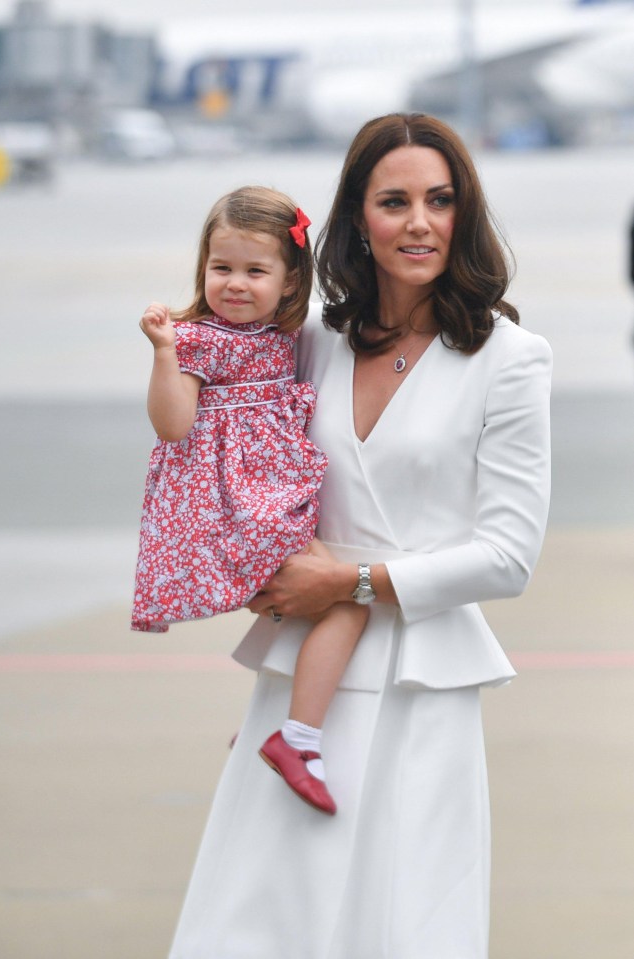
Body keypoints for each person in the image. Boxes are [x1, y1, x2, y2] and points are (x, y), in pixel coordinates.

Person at [167, 114, 552, 959]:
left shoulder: (510, 358)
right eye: (394, 201)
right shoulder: (313, 342)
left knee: (403, 921)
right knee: (260, 920)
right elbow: (239, 458)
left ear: (465, 214)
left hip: (418, 681)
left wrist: (350, 585)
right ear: (357, 219)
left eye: (440, 200)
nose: (419, 222)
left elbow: (509, 554)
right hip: (301, 681)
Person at [132, 185, 369, 815]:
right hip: (238, 508)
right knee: (347, 601)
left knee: (307, 605)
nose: (235, 284)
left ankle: (271, 721)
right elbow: (172, 424)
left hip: (274, 496)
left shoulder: (289, 336)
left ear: (291, 283)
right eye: (221, 268)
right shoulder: (197, 340)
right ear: (203, 268)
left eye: (255, 270)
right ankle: (298, 740)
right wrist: (164, 352)